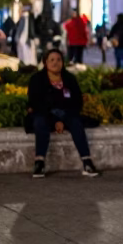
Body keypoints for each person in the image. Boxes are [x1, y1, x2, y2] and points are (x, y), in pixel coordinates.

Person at [26, 49, 100, 178]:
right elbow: (35, 103)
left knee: (76, 123)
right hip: (44, 114)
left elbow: (77, 102)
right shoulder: (37, 79)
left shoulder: (69, 79)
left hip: (67, 114)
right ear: (45, 63)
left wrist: (63, 119)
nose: (56, 63)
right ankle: (39, 163)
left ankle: (87, 162)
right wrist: (55, 121)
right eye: (52, 60)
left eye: (59, 60)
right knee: (40, 122)